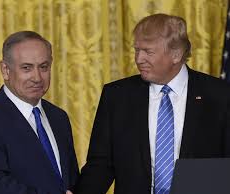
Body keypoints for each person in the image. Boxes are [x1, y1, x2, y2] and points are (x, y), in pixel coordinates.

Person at [75, 13, 230, 194]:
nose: (139, 59)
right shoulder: (117, 96)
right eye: (136, 50)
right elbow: (100, 165)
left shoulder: (220, 95)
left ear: (176, 54)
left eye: (148, 51)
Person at [0, 31, 79, 194]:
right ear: (5, 70)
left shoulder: (58, 117)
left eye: (43, 67)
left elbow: (70, 181)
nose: (37, 77)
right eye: (26, 68)